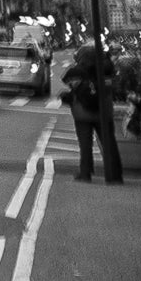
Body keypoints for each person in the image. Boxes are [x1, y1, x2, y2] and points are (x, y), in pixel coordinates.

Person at [60, 42, 103, 181]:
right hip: (100, 111)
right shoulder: (102, 68)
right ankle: (113, 172)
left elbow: (65, 78)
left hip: (82, 112)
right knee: (106, 143)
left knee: (85, 144)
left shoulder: (78, 70)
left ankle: (85, 172)